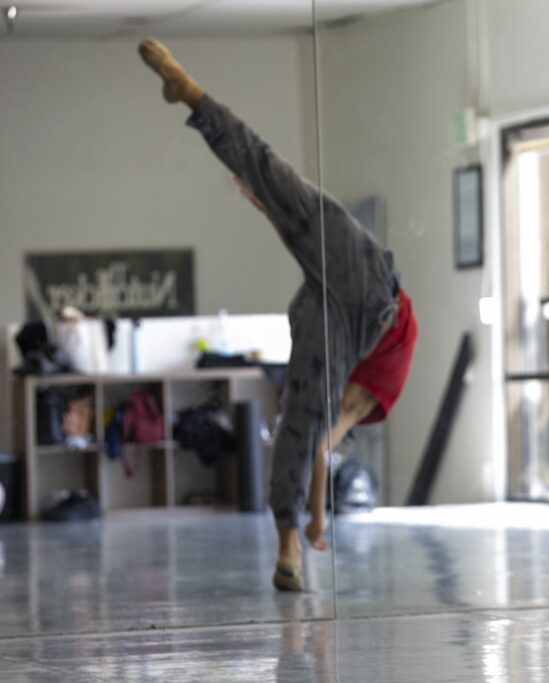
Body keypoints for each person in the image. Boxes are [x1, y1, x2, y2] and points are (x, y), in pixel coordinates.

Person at [138, 38, 419, 592]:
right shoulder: (369, 398)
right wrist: (319, 518)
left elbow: (316, 439)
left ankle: (289, 545)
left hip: (344, 305)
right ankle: (193, 98)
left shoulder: (364, 393)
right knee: (277, 184)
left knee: (275, 179)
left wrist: (316, 518)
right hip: (365, 295)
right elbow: (322, 440)